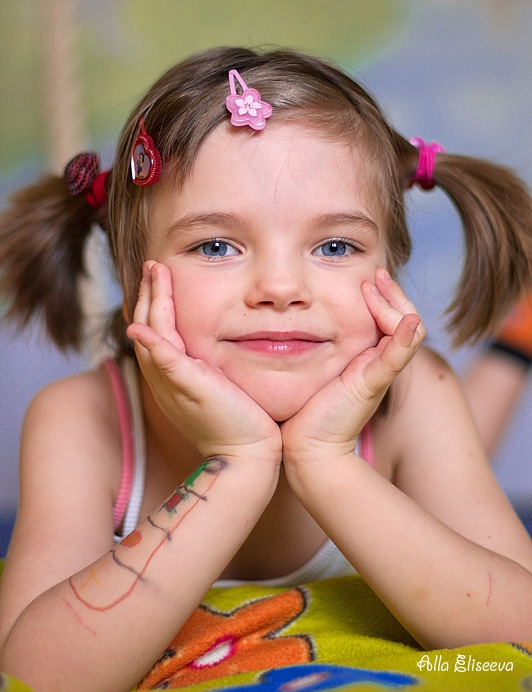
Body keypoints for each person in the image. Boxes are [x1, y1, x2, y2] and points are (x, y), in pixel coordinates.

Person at [1, 46, 532, 692]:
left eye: (335, 245)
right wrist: (240, 462)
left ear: (389, 268)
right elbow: (35, 675)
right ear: (134, 274)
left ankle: (516, 343)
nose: (281, 288)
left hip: (403, 417)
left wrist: (327, 462)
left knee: (458, 436)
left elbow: (521, 632)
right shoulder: (80, 420)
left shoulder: (422, 391)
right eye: (215, 246)